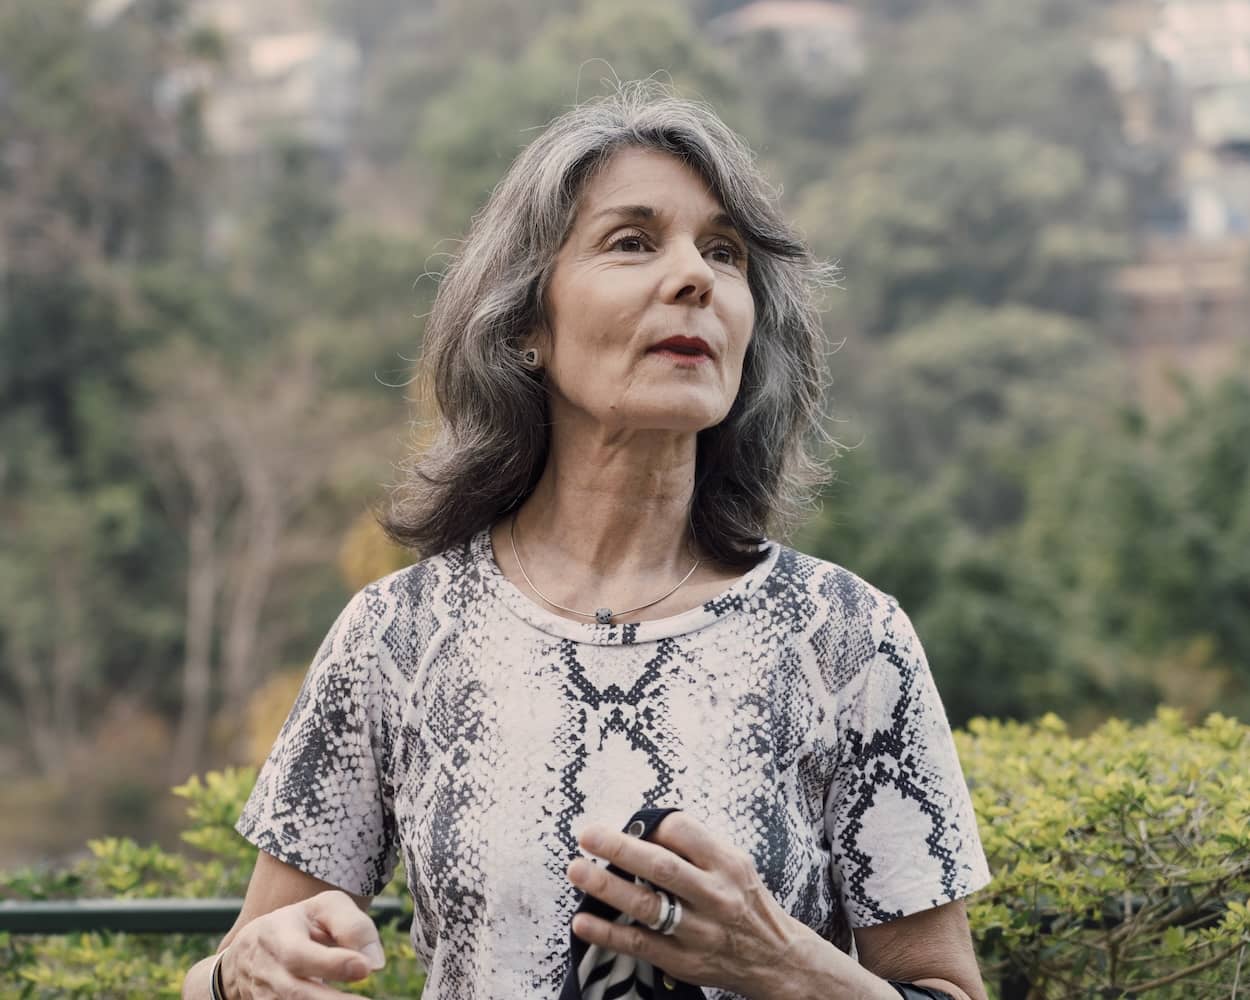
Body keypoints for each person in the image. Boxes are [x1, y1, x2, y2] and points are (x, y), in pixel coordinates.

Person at [181, 83, 992, 1000]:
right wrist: (239, 973)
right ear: (527, 322)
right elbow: (234, 966)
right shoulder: (398, 637)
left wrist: (786, 965)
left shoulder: (847, 637)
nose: (694, 277)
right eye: (633, 241)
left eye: (723, 253)